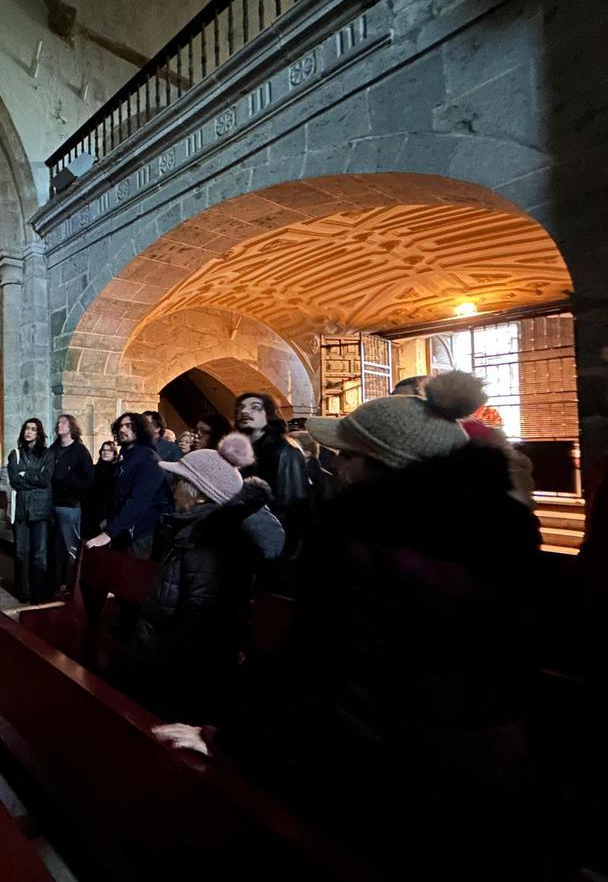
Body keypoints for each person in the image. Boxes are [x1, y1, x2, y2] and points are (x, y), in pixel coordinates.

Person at [157, 372, 541, 879]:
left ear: (382, 465)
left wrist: (230, 743)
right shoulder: (502, 531)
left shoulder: (364, 545)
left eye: (349, 454)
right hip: (494, 772)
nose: (336, 463)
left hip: (389, 789)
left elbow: (345, 689)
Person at [123, 434, 284, 723]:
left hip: (177, 682)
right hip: (162, 666)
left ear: (198, 492)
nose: (172, 490)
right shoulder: (193, 531)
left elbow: (201, 625)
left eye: (178, 483)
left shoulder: (209, 542)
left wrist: (158, 670)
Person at [86, 413, 172, 558]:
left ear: (140, 429)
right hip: (124, 530)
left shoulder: (147, 458)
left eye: (129, 426)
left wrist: (110, 532)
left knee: (135, 576)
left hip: (141, 532)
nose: (122, 430)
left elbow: (139, 500)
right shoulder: (128, 457)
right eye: (120, 426)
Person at [234, 392, 308, 557]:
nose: (245, 412)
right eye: (241, 408)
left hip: (274, 547)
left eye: (255, 408)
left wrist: (284, 553)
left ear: (268, 414)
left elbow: (292, 504)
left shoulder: (283, 452)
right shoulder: (240, 451)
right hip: (246, 541)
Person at [7, 417, 54, 603]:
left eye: (33, 429)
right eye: (27, 428)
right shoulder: (15, 454)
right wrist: (33, 478)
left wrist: (25, 474)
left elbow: (45, 479)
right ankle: (22, 591)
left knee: (40, 554)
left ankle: (38, 592)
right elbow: (14, 480)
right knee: (20, 552)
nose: (29, 432)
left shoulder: (47, 454)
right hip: (21, 510)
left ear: (39, 433)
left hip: (40, 510)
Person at [49, 414, 94, 596]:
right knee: (56, 546)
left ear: (72, 427)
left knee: (70, 547)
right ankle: (57, 582)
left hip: (69, 505)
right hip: (52, 504)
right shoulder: (53, 449)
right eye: (58, 422)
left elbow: (89, 478)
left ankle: (71, 584)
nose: (60, 425)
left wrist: (68, 480)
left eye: (64, 422)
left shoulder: (79, 451)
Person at [82, 440, 119, 538]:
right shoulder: (94, 469)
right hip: (91, 511)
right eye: (103, 450)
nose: (105, 452)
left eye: (109, 450)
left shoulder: (117, 471)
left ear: (114, 454)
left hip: (108, 512)